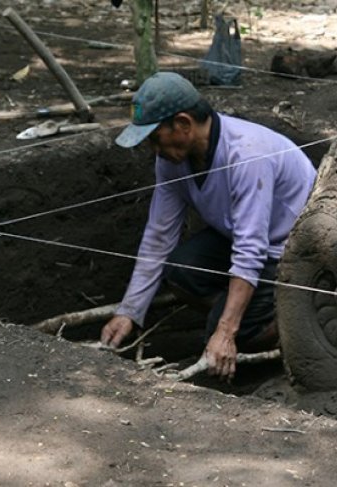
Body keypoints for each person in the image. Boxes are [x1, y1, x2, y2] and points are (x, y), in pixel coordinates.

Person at [100, 72, 317, 380]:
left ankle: (286, 327)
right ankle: (243, 316)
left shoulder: (246, 155)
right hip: (241, 238)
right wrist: (130, 311)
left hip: (289, 249)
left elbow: (250, 249)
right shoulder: (171, 160)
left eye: (154, 138)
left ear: (184, 124)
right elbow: (160, 234)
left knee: (231, 332)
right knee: (179, 270)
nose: (153, 150)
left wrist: (226, 330)